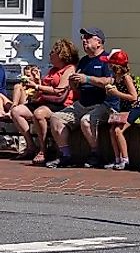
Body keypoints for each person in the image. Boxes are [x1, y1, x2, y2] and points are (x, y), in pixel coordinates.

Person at [47, 27, 116, 169]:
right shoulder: (84, 61)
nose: (84, 40)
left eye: (88, 38)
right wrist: (73, 84)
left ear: (99, 42)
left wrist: (88, 79)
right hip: (82, 103)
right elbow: (76, 88)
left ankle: (95, 154)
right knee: (56, 118)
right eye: (83, 38)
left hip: (103, 104)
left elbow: (110, 81)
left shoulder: (107, 60)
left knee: (86, 121)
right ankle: (66, 155)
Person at [12, 38, 76, 163]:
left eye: (53, 52)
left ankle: (43, 149)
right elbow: (43, 89)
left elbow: (59, 91)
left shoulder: (69, 69)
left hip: (59, 103)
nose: (50, 55)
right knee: (16, 111)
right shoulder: (52, 70)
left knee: (39, 114)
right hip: (44, 100)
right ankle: (31, 146)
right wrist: (37, 81)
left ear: (61, 55)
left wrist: (37, 86)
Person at [102, 50, 140, 170]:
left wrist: (116, 93)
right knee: (112, 130)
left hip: (135, 108)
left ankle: (125, 159)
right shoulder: (116, 77)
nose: (108, 66)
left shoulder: (126, 78)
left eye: (110, 64)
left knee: (118, 131)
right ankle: (117, 159)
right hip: (124, 108)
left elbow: (133, 97)